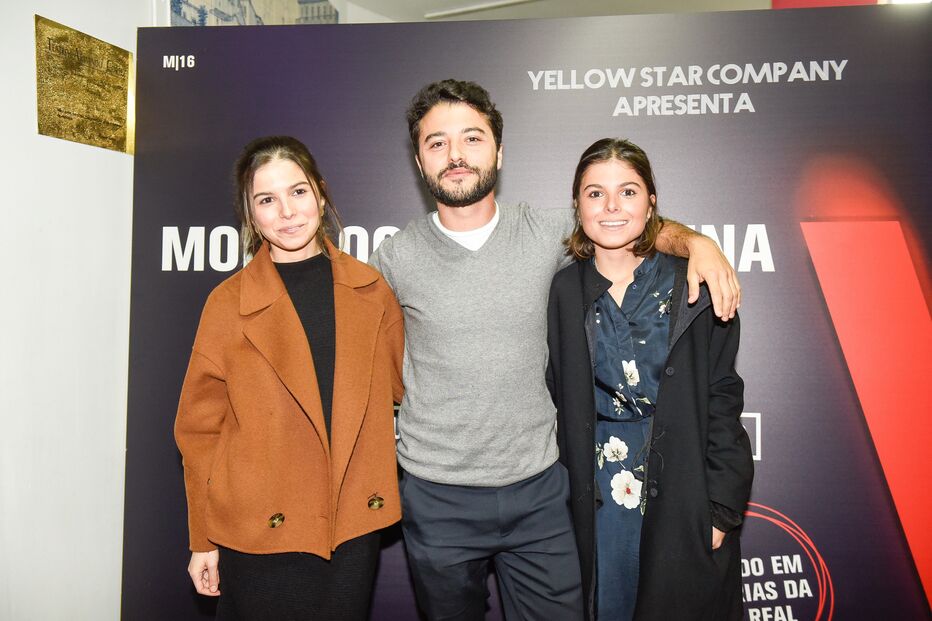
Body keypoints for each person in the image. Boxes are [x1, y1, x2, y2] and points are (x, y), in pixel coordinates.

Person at [368, 80, 742, 620]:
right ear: (419, 159)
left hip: (543, 492)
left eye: (472, 138)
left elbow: (627, 224)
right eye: (436, 142)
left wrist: (698, 245)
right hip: (437, 495)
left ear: (499, 150)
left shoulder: (547, 232)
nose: (455, 155)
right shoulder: (393, 259)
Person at [174, 136, 404, 620]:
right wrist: (202, 539)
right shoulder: (226, 303)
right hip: (257, 530)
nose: (287, 212)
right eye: (267, 200)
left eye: (298, 192)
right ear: (251, 215)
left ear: (320, 195)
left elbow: (403, 391)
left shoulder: (372, 290)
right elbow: (198, 433)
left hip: (349, 529)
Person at [546, 138, 754, 621]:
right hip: (597, 497)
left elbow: (723, 396)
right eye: (595, 193)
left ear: (652, 202)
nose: (612, 206)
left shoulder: (696, 283)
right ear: (577, 207)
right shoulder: (561, 290)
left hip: (684, 486)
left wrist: (722, 504)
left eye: (629, 191)